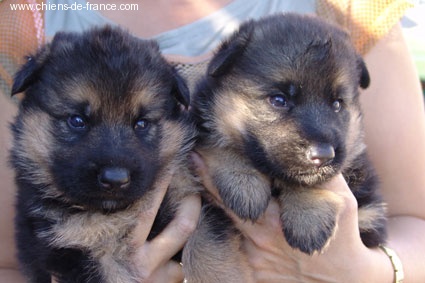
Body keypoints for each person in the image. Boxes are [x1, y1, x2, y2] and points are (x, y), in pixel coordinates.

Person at [1, 0, 424, 282]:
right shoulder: (18, 21)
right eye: (76, 120)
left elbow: (416, 219)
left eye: (143, 123)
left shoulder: (353, 11)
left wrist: (366, 271)